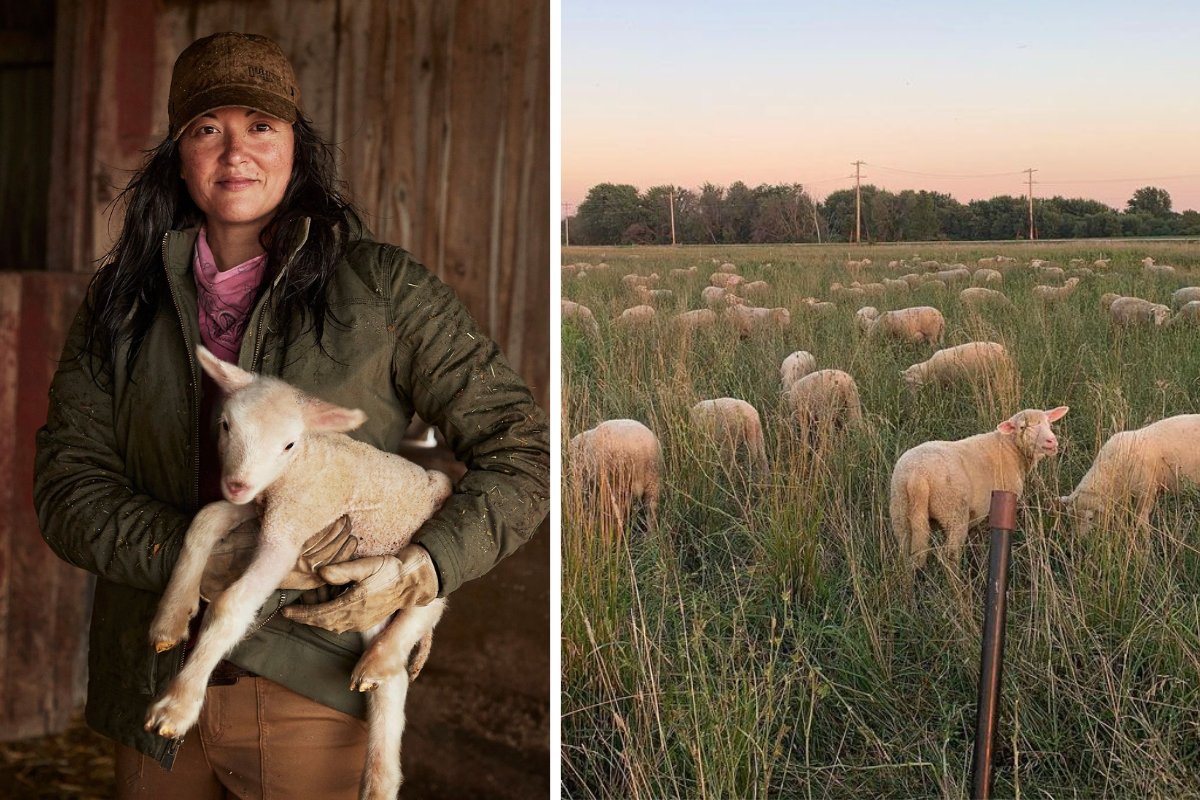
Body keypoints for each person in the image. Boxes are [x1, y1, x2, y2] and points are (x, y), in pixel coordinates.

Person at [33, 31, 549, 799]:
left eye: (259, 127)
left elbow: (524, 451)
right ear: (179, 154)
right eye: (208, 130)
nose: (234, 152)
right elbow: (67, 485)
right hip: (155, 688)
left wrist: (424, 566)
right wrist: (193, 554)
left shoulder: (381, 291)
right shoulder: (122, 305)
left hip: (315, 682)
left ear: (295, 149)